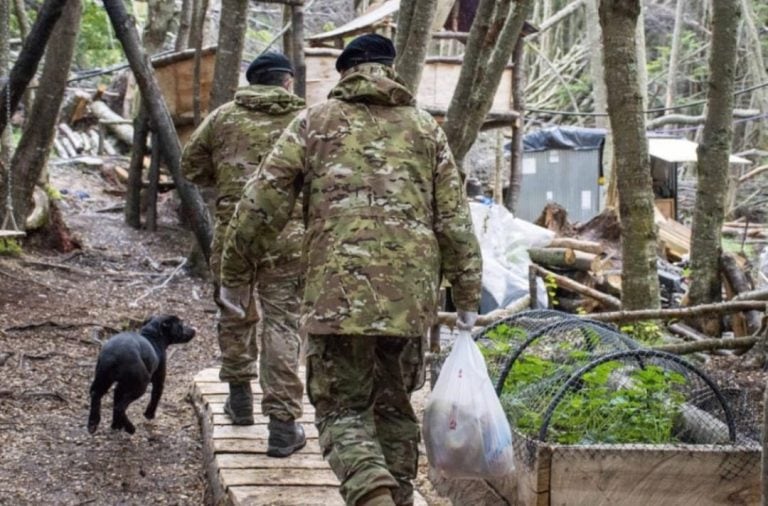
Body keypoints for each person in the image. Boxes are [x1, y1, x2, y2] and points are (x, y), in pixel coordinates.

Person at [219, 34, 482, 506]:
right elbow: (456, 221)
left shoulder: (314, 123)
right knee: (394, 409)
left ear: (345, 73)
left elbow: (261, 204)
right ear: (390, 70)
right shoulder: (425, 129)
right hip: (408, 301)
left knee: (342, 409)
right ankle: (393, 497)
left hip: (335, 298)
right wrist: (466, 295)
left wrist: (235, 274)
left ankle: (371, 494)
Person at [181, 52, 307, 458]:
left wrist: (226, 180)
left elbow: (191, 166)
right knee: (283, 325)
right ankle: (283, 427)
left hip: (233, 234)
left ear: (252, 82)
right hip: (289, 237)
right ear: (287, 82)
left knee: (235, 312)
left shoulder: (222, 118)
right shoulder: (308, 119)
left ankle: (238, 400)